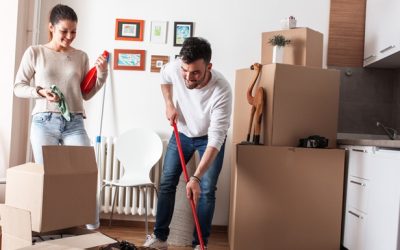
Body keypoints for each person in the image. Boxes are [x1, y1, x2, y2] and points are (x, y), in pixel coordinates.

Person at [13, 4, 107, 229]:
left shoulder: (81, 56)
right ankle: (50, 227)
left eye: (73, 31)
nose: (69, 36)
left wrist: (101, 74)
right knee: (48, 179)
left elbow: (85, 93)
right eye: (64, 31)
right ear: (51, 28)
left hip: (74, 121)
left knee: (86, 173)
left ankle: (90, 229)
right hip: (44, 121)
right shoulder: (35, 52)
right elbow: (18, 87)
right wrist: (40, 91)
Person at [144, 37, 232, 250]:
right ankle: (160, 237)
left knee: (207, 189)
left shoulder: (222, 90)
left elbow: (216, 139)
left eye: (195, 73)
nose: (188, 77)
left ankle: (199, 245)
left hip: (208, 139)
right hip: (181, 132)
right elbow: (164, 78)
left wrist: (195, 177)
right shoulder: (176, 67)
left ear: (208, 67)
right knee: (167, 183)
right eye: (185, 71)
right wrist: (168, 104)